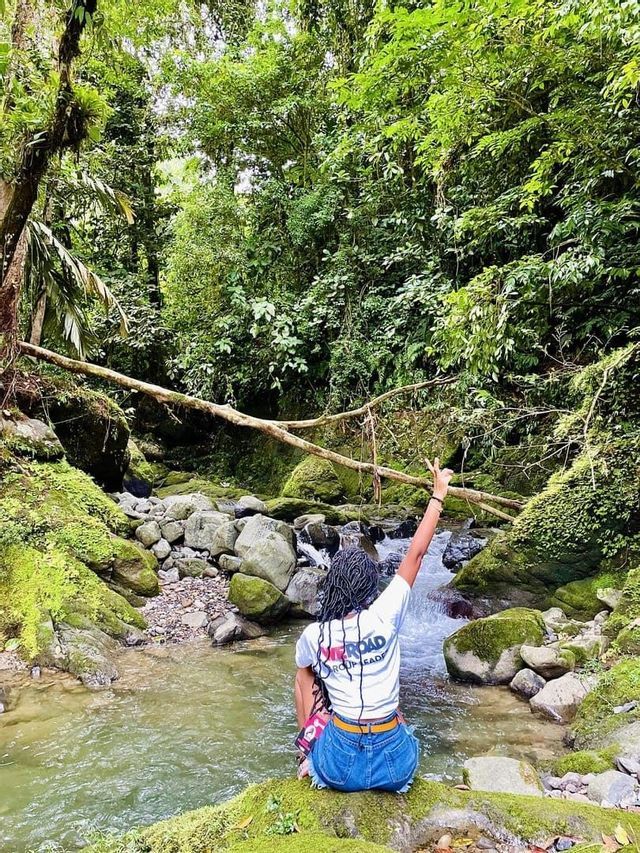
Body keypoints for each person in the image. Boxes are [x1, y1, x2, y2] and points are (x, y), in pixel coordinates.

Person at [293, 457, 454, 793]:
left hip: (338, 765)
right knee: (398, 719)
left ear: (332, 586)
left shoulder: (316, 635)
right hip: (394, 766)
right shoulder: (387, 612)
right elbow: (416, 554)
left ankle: (305, 755)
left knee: (304, 672)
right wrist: (438, 495)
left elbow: (305, 677)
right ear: (371, 588)